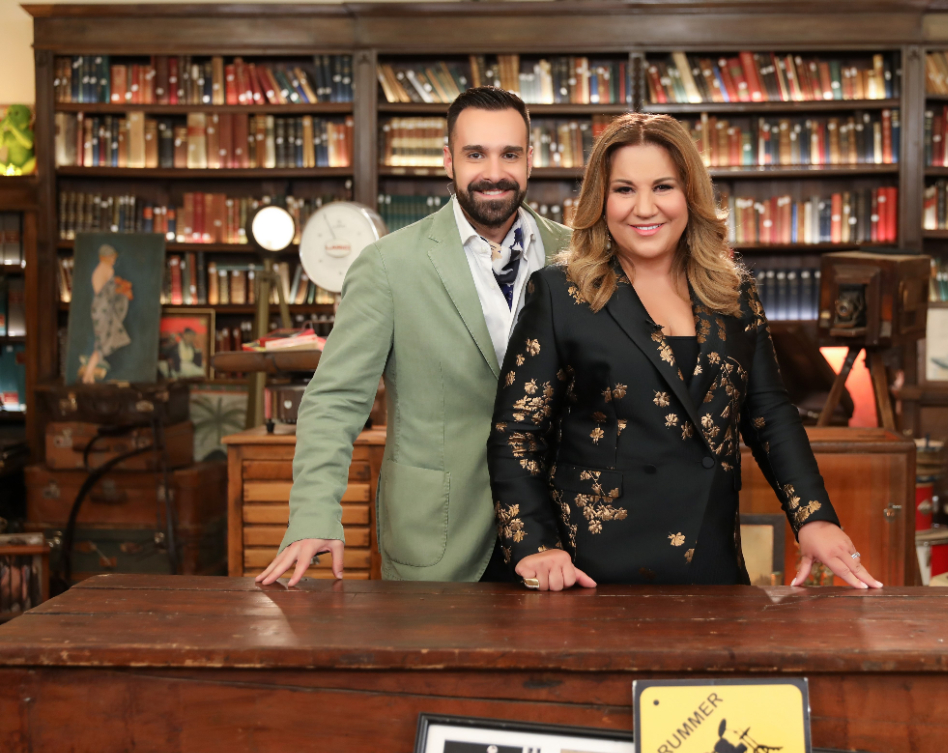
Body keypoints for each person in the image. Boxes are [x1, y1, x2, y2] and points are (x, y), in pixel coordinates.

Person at [486, 113, 882, 591]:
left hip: (709, 560)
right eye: (624, 189)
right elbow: (517, 434)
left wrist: (814, 517)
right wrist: (535, 545)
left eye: (663, 187)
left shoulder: (733, 294)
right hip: (589, 569)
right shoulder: (558, 292)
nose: (645, 208)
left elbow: (770, 415)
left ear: (690, 194)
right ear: (601, 200)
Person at [255, 87, 572, 587]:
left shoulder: (580, 255)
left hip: (560, 533)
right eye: (475, 154)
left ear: (530, 160)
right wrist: (314, 514)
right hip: (438, 537)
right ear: (448, 160)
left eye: (510, 154)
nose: (494, 172)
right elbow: (336, 400)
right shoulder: (387, 265)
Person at [82, 244, 133, 384]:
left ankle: (88, 376)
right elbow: (109, 293)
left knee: (100, 344)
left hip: (99, 308)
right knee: (101, 344)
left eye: (114, 257)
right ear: (104, 258)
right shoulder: (107, 269)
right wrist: (123, 289)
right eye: (111, 257)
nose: (113, 260)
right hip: (103, 309)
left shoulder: (99, 270)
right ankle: (87, 375)